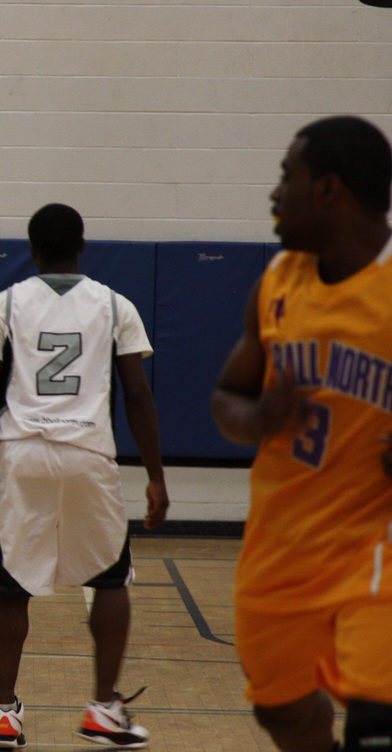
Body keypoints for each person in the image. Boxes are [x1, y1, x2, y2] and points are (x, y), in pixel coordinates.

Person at [0, 203, 169, 749]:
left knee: (12, 586)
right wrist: (155, 475)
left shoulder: (3, 304)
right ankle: (102, 709)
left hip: (24, 454)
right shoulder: (116, 305)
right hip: (89, 452)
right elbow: (138, 394)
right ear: (83, 246)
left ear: (31, 250)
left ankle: (5, 714)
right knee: (110, 580)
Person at [212, 116, 392, 752]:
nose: (274, 192)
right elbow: (228, 396)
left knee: (377, 726)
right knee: (281, 713)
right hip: (280, 547)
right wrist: (257, 419)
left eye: (287, 175)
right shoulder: (279, 280)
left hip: (373, 547)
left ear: (328, 189)